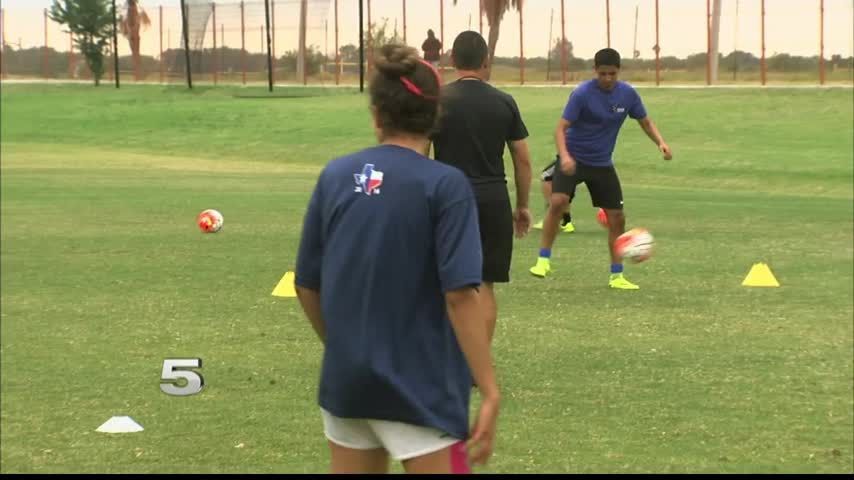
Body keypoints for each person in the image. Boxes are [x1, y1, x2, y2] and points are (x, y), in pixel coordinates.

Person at [294, 44, 500, 474]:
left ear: (376, 114)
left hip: (349, 384)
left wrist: (344, 347)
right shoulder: (446, 185)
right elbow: (461, 296)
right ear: (436, 115)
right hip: (422, 388)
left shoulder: (335, 175)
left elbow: (306, 284)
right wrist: (489, 388)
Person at [529, 48, 672, 290]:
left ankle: (617, 276)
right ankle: (543, 261)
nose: (607, 78)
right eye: (603, 73)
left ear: (619, 71)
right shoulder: (582, 94)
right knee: (558, 202)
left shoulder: (628, 94)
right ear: (595, 70)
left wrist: (661, 142)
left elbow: (645, 122)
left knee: (617, 217)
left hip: (602, 164)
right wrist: (565, 156)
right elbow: (560, 128)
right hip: (573, 159)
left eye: (612, 74)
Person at [431, 31, 532, 343]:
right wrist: (522, 206)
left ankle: (450, 352)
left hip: (449, 198)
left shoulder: (438, 102)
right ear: (486, 61)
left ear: (452, 59)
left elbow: (419, 154)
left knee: (447, 282)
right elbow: (522, 160)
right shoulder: (504, 102)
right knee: (485, 284)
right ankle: (479, 358)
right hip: (493, 198)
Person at [532, 156, 574, 233]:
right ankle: (566, 222)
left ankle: (551, 219)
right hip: (585, 159)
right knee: (565, 182)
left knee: (546, 176)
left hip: (573, 157)